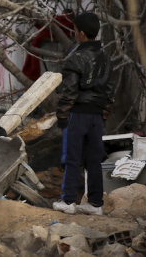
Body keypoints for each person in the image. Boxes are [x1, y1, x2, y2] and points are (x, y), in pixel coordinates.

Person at [52, 12, 114, 216]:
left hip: (77, 115)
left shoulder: (75, 59)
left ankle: (68, 201)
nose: (74, 34)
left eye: (75, 30)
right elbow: (109, 90)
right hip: (96, 117)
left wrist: (62, 116)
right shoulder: (105, 58)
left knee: (72, 158)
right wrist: (103, 114)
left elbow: (69, 91)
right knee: (93, 160)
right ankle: (95, 204)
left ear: (82, 33)